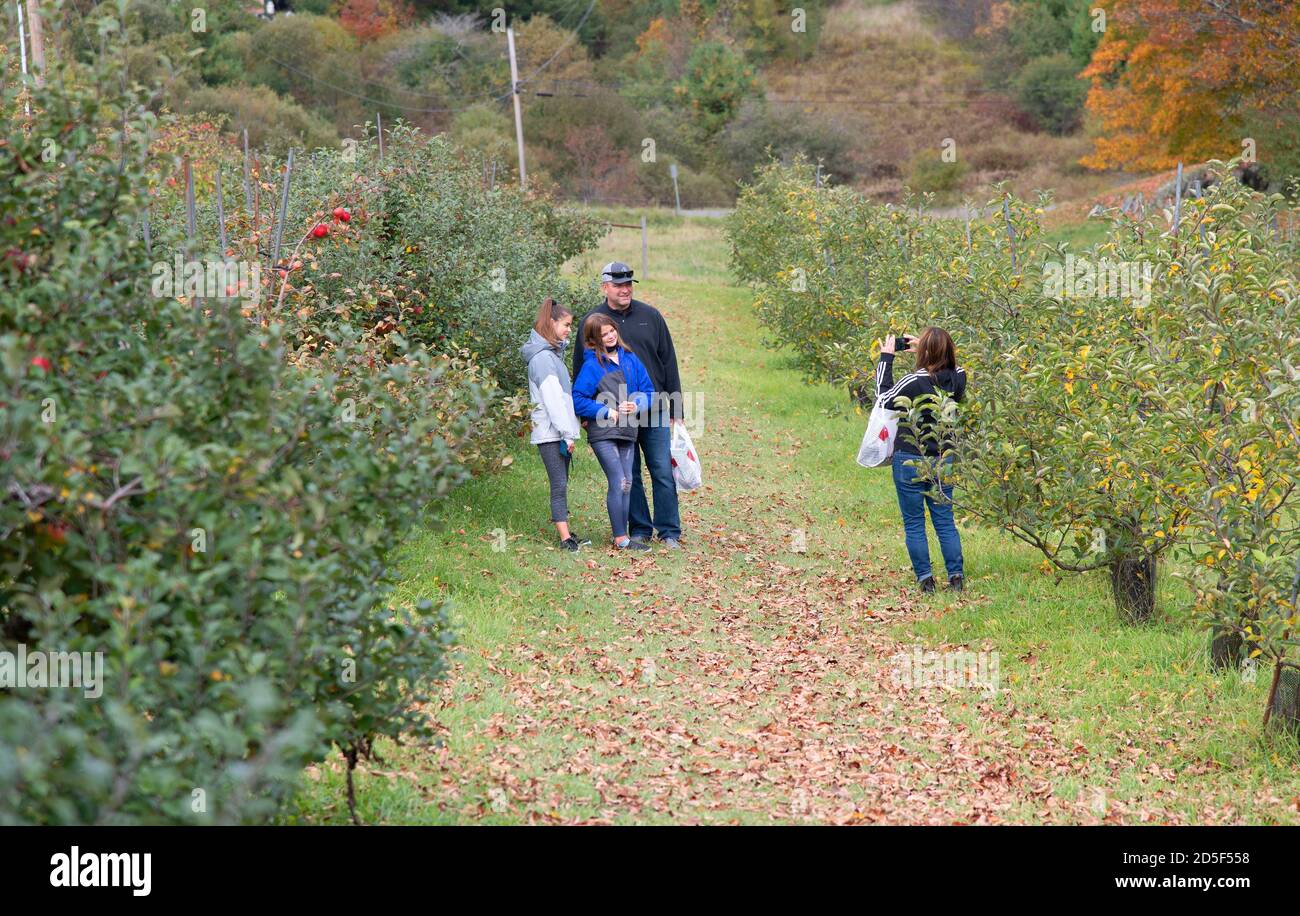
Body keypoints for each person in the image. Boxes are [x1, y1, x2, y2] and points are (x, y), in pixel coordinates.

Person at [573, 262, 683, 549]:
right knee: (628, 473)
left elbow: (668, 361)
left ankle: (669, 530)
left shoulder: (651, 316)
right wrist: (584, 415)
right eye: (618, 284)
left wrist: (677, 410)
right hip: (615, 414)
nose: (625, 289)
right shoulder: (593, 321)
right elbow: (580, 372)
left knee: (660, 468)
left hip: (654, 406)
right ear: (605, 287)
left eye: (629, 284)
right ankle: (639, 529)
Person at [877, 327, 967, 593]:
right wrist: (931, 349)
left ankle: (926, 580)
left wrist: (886, 358)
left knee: (914, 522)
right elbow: (952, 367)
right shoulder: (959, 377)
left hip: (911, 458)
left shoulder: (914, 381)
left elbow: (883, 398)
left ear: (925, 350)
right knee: (944, 520)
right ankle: (956, 577)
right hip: (944, 458)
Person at [571, 314, 655, 551]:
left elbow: (649, 391)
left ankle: (623, 536)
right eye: (603, 334)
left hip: (628, 429)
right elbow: (577, 399)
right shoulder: (592, 366)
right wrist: (606, 411)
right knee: (618, 480)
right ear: (593, 339)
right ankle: (621, 539)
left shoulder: (630, 359)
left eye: (611, 331)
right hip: (603, 431)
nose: (609, 336)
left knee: (627, 481)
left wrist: (637, 403)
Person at [520, 297, 590, 552]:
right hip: (551, 434)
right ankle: (564, 539)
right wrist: (567, 434)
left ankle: (567, 532)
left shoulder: (551, 356)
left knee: (562, 482)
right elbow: (553, 400)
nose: (569, 330)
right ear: (551, 323)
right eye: (566, 324)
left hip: (558, 432)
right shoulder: (543, 360)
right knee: (558, 483)